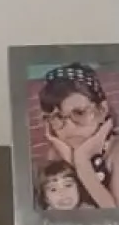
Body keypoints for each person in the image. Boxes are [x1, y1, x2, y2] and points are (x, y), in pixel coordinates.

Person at [37, 63, 116, 209]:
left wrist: (82, 161)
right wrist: (71, 159)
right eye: (57, 117)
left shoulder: (115, 151)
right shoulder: (58, 151)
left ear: (102, 110)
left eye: (80, 112)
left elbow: (114, 218)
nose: (69, 127)